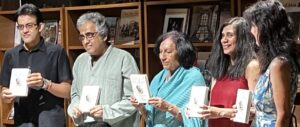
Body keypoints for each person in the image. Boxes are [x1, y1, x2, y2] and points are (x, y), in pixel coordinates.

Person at [0, 3, 73, 127]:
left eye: (29, 25)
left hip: (51, 122)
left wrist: (45, 84)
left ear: (40, 26)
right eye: (21, 26)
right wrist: (6, 96)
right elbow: (4, 91)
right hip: (22, 121)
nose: (25, 31)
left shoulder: (56, 52)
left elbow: (68, 91)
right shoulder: (10, 54)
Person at [67, 12, 140, 127]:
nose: (85, 41)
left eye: (90, 35)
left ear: (104, 35)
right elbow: (75, 94)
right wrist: (74, 108)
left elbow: (134, 99)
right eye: (82, 37)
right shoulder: (80, 61)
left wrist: (106, 112)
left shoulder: (123, 58)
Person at [189, 17, 260, 127]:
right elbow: (211, 106)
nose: (224, 40)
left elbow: (258, 111)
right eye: (222, 35)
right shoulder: (219, 68)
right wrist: (198, 109)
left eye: (230, 35)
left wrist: (220, 113)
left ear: (242, 38)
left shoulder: (252, 66)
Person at [130, 31, 206, 127]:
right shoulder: (158, 78)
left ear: (181, 52)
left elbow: (196, 119)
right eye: (160, 52)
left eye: (168, 52)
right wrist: (141, 108)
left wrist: (169, 107)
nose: (162, 57)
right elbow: (150, 119)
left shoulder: (194, 77)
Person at [243, 0, 299, 126]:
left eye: (253, 25)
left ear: (265, 27)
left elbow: (283, 115)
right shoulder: (280, 61)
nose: (251, 30)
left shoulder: (279, 64)